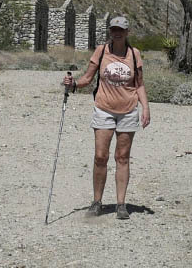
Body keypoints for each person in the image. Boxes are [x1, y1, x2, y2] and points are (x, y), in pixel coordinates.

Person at [62, 15, 150, 220]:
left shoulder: (134, 54)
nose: (117, 33)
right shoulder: (101, 52)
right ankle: (97, 202)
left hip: (128, 111)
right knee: (100, 156)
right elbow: (87, 78)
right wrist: (73, 84)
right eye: (113, 29)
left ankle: (121, 204)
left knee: (122, 157)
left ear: (127, 32)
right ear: (110, 31)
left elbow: (139, 84)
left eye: (120, 29)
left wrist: (145, 108)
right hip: (103, 109)